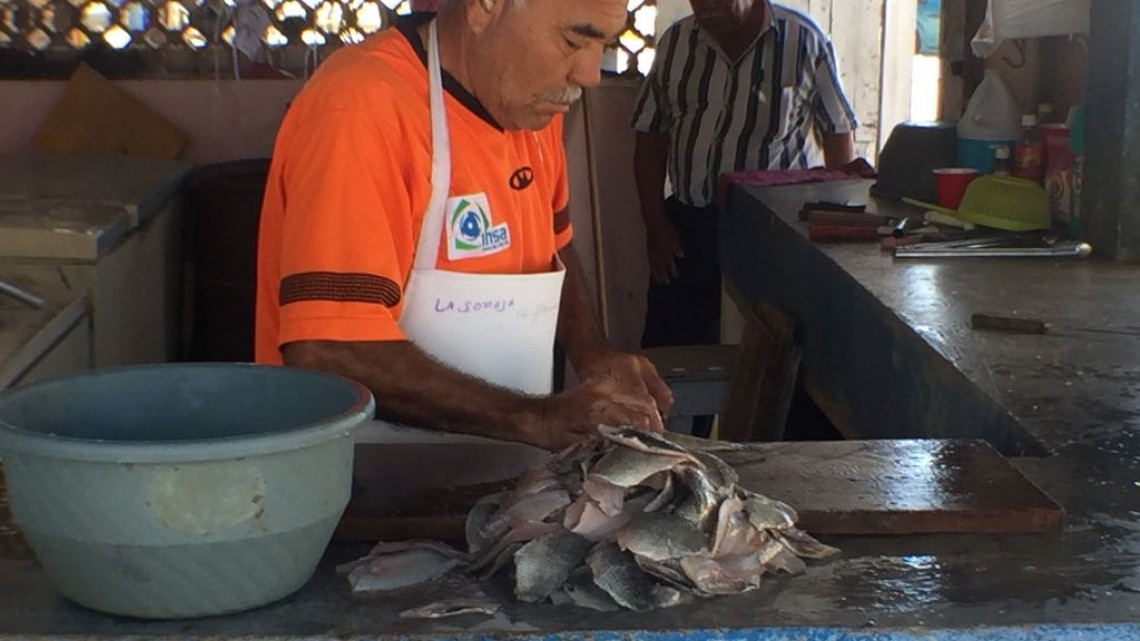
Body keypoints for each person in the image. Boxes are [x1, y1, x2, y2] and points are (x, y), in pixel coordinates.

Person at [255, 0, 672, 452]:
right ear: (485, 7)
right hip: (359, 486)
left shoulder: (530, 108)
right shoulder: (362, 107)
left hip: (498, 470)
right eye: (573, 40)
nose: (589, 74)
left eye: (603, 45)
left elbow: (554, 251)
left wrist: (595, 356)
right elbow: (328, 349)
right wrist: (535, 418)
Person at [629, 0, 859, 435]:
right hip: (690, 229)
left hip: (776, 236)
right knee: (666, 367)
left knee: (777, 370)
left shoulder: (803, 40)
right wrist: (655, 226)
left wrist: (834, 227)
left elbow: (838, 137)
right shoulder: (677, 42)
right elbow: (649, 140)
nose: (707, 6)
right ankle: (667, 470)